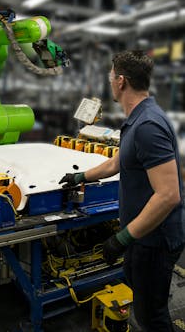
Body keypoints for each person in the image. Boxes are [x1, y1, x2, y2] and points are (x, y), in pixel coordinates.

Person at [59, 50, 185, 332]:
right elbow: (117, 162)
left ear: (121, 81)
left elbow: (168, 194)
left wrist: (122, 238)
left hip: (155, 241)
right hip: (144, 237)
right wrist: (81, 176)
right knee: (145, 306)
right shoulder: (137, 119)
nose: (109, 81)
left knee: (152, 317)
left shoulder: (148, 126)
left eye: (110, 76)